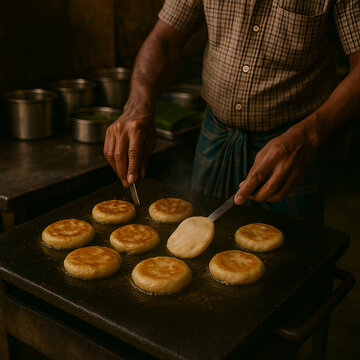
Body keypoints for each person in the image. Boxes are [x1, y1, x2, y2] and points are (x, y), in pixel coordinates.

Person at [104, 0, 360, 222]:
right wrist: (137, 106)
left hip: (292, 149)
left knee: (293, 260)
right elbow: (165, 40)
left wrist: (309, 136)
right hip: (216, 136)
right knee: (195, 245)